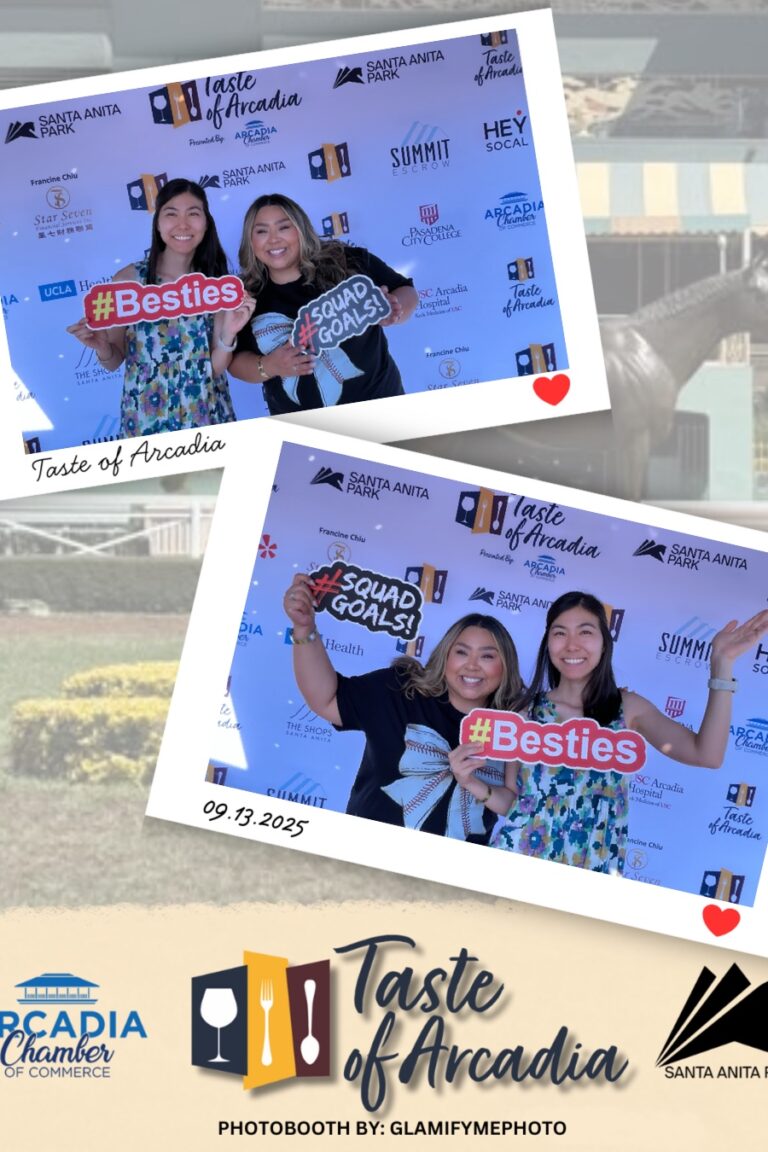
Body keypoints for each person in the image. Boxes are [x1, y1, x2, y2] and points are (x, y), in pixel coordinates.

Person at [450, 590, 768, 875]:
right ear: (548, 643)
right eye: (560, 633)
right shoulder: (525, 711)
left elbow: (707, 755)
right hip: (517, 863)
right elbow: (515, 804)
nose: (572, 644)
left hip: (593, 869)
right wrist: (472, 784)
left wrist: (722, 664)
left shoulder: (628, 709)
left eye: (585, 632)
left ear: (605, 642)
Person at [283, 572, 522, 843]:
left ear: (505, 666)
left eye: (488, 656)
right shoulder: (399, 689)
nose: (472, 665)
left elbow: (515, 805)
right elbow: (325, 700)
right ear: (445, 656)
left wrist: (475, 784)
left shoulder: (515, 726)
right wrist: (304, 628)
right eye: (461, 652)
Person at [67, 178, 254, 437]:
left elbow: (216, 368)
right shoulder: (128, 281)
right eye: (171, 213)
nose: (183, 224)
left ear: (206, 222)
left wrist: (229, 334)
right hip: (146, 419)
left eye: (193, 213)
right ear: (157, 223)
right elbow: (113, 362)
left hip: (207, 413)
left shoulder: (216, 285)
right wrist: (102, 348)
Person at [230, 193, 418, 414]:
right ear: (250, 241)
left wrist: (396, 309)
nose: (273, 239)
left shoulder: (347, 261)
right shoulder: (244, 296)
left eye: (284, 227)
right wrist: (269, 366)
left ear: (301, 229)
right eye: (261, 231)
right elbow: (235, 361)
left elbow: (406, 290)